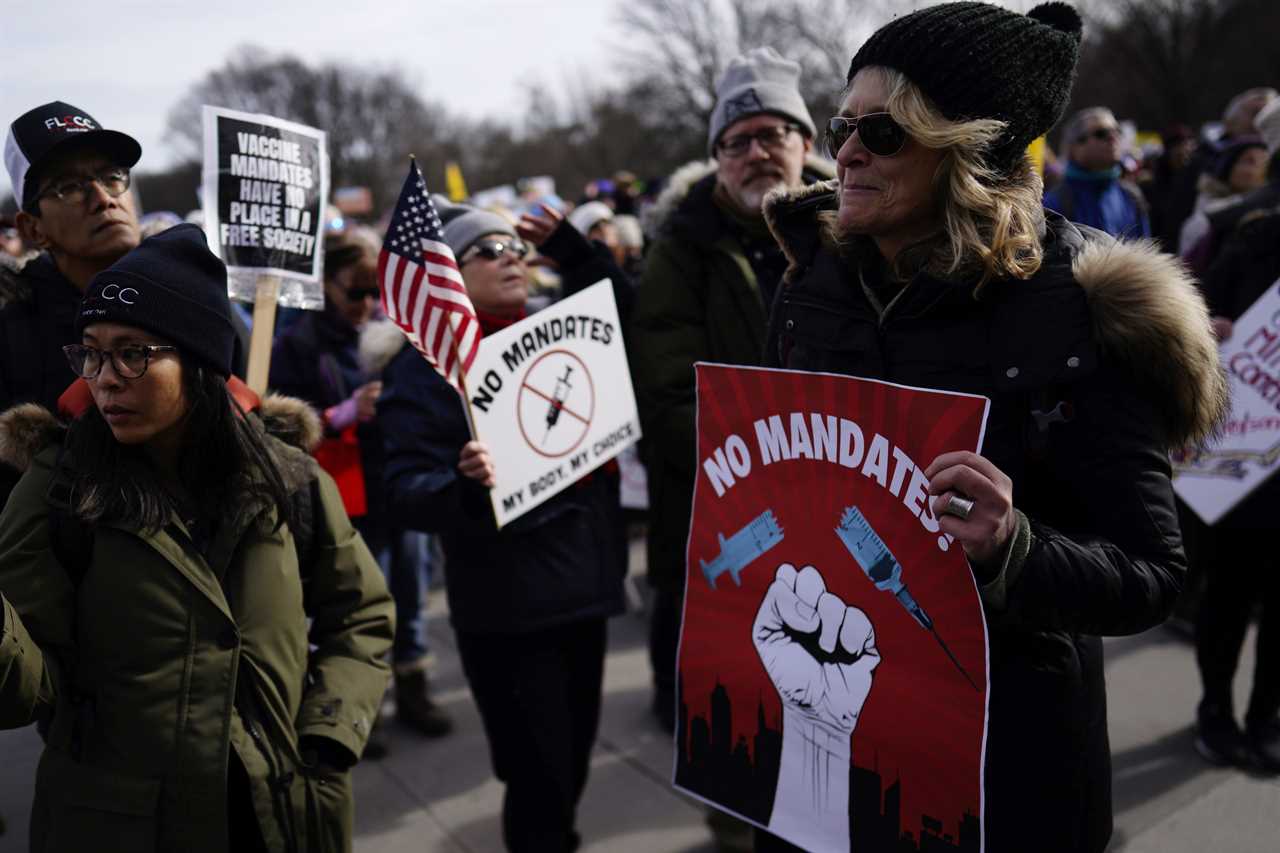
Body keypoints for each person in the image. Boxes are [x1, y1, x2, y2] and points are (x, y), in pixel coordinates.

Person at [760, 4, 1225, 851]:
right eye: (842, 125)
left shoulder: (1077, 309)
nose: (846, 151)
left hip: (1006, 760)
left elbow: (1154, 571)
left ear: (968, 151)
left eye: (884, 132)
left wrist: (1016, 549)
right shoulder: (809, 283)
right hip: (837, 735)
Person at [0, 224, 394, 853]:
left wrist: (327, 736)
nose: (104, 378)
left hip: (280, 816)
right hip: (117, 827)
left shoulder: (286, 474)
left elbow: (362, 614)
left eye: (132, 353)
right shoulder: (58, 486)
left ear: (200, 361)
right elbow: (24, 690)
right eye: (91, 353)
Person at [373, 198, 627, 852]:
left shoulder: (559, 329)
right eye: (488, 249)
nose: (511, 255)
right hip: (509, 608)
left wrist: (575, 249)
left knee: (568, 764)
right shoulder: (423, 371)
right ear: (449, 274)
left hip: (586, 586)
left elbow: (634, 316)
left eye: (515, 245)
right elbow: (403, 487)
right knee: (537, 781)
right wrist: (462, 485)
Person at [630, 46, 832, 740]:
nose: (756, 154)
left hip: (842, 494)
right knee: (725, 682)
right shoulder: (680, 250)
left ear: (806, 143)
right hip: (725, 503)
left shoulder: (859, 228)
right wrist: (770, 469)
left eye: (773, 135)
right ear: (718, 158)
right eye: (737, 142)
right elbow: (668, 393)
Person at [269, 232, 451, 739]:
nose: (367, 304)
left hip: (399, 484)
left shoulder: (397, 332)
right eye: (355, 292)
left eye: (376, 292)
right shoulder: (296, 344)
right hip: (343, 498)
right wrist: (340, 414)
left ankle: (414, 690)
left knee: (411, 597)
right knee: (353, 607)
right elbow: (278, 428)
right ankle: (351, 712)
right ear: (326, 284)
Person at [1192, 177, 1280, 775]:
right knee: (1230, 589)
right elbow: (1186, 316)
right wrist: (1206, 331)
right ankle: (1216, 710)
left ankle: (1267, 716)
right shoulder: (1252, 239)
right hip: (1243, 465)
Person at [1044, 106, 1150, 238]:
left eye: (1117, 130)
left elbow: (1145, 250)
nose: (1113, 137)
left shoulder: (1132, 196)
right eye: (1101, 133)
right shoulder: (1054, 203)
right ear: (1074, 148)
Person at [1177, 136, 1268, 259]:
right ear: (1229, 170)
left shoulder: (1270, 211)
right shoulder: (1202, 222)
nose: (1261, 167)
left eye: (1266, 161)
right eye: (1249, 161)